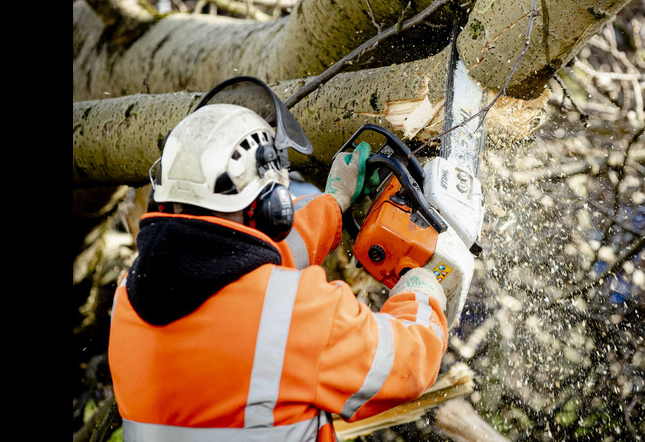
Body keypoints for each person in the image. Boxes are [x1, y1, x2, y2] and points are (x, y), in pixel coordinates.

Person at [108, 78, 452, 441]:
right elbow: (408, 364)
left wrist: (333, 204)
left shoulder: (127, 298)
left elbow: (242, 266)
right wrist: (421, 294)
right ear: (272, 208)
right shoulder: (298, 315)